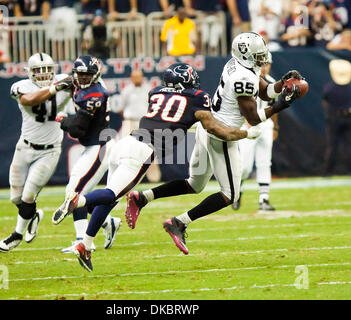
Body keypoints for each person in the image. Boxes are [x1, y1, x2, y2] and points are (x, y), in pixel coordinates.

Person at [63, 63, 262, 271]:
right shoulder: (197, 97)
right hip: (142, 151)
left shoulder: (155, 92)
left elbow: (170, 112)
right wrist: (246, 133)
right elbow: (211, 125)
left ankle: (87, 241)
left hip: (124, 143)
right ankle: (80, 200)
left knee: (113, 197)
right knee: (111, 195)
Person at [126, 32, 303, 255]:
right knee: (230, 194)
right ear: (246, 56)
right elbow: (253, 117)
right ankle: (179, 222)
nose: (261, 60)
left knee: (195, 184)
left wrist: (281, 85)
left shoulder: (236, 65)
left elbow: (265, 92)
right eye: (257, 56)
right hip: (222, 134)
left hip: (207, 126)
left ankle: (142, 197)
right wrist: (282, 104)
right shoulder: (242, 76)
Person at [0, 52, 74, 252]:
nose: (42, 74)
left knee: (28, 196)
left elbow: (88, 85)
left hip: (49, 151)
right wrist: (55, 88)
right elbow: (28, 100)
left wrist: (78, 82)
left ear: (53, 70)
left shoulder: (65, 81)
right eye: (38, 71)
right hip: (24, 146)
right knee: (16, 198)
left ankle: (17, 235)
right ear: (29, 72)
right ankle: (33, 216)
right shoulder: (22, 86)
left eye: (47, 70)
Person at [52, 55, 121, 252]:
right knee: (79, 194)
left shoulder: (95, 95)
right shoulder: (82, 84)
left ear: (96, 75)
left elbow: (77, 130)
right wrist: (57, 84)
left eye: (87, 75)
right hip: (94, 145)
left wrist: (63, 120)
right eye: (80, 74)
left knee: (74, 193)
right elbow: (68, 81)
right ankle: (108, 223)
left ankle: (82, 241)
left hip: (100, 147)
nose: (82, 78)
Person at [233, 52, 278, 212]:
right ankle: (238, 190)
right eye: (262, 63)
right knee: (244, 165)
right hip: (249, 125)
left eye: (267, 64)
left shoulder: (272, 82)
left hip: (265, 125)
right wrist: (247, 120)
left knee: (265, 162)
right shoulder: (247, 79)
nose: (265, 67)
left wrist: (275, 126)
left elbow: (274, 107)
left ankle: (263, 199)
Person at [116, 69, 161, 182]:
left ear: (142, 77)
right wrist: (129, 118)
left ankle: (154, 179)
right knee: (126, 151)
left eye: (139, 76)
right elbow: (120, 108)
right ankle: (125, 180)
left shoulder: (148, 89)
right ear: (131, 78)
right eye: (135, 77)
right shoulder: (126, 91)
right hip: (130, 122)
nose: (137, 79)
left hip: (145, 122)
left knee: (150, 150)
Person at [323, 59, 351, 175]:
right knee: (348, 146)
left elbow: (325, 101)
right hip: (348, 118)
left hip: (334, 118)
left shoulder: (329, 87)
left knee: (332, 146)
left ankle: (328, 172)